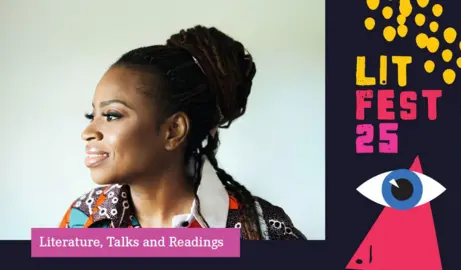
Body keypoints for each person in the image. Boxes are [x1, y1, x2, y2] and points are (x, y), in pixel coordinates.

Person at [59, 25, 306, 240]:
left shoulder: (265, 233)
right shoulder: (82, 219)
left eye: (112, 115)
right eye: (92, 116)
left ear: (173, 130)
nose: (88, 132)